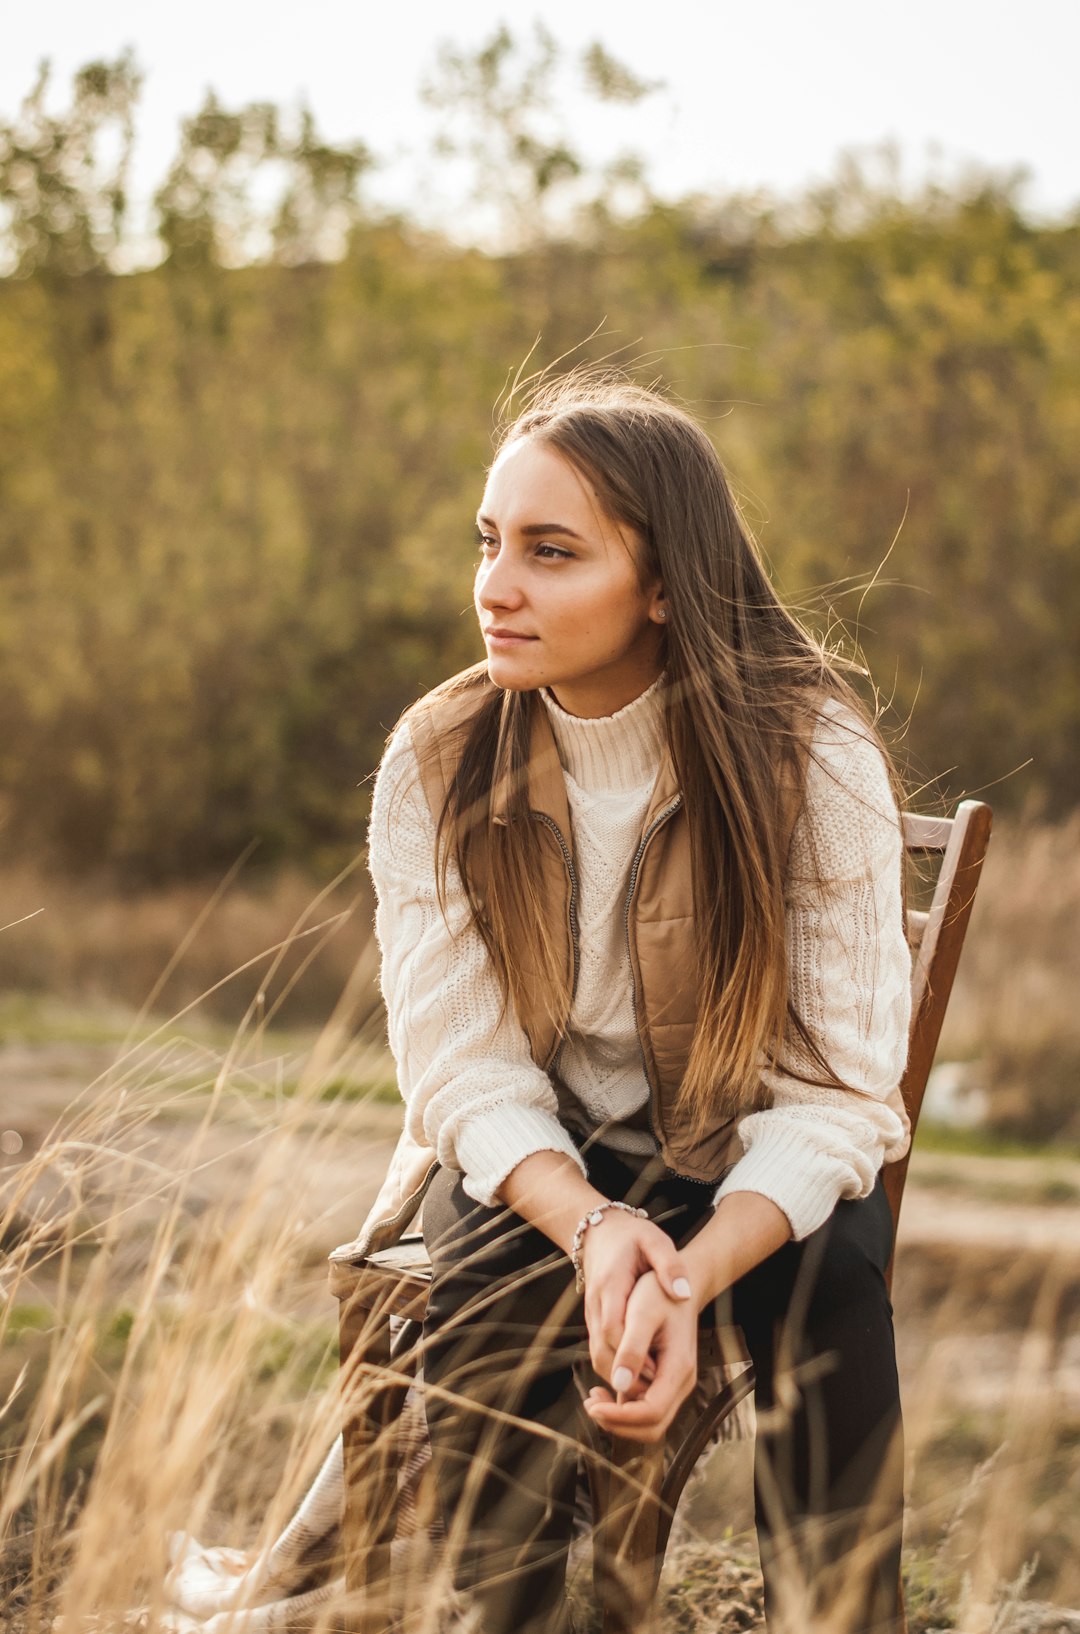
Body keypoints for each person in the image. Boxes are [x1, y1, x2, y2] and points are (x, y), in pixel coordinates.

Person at [362, 372, 913, 1634]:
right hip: (554, 1151)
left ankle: (842, 1618)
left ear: (663, 584)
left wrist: (691, 1267)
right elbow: (461, 1068)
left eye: (551, 552)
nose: (496, 586)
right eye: (490, 542)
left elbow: (837, 1096)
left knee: (832, 1289)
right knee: (487, 1310)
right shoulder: (438, 759)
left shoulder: (809, 752)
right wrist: (596, 1228)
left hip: (751, 1150)